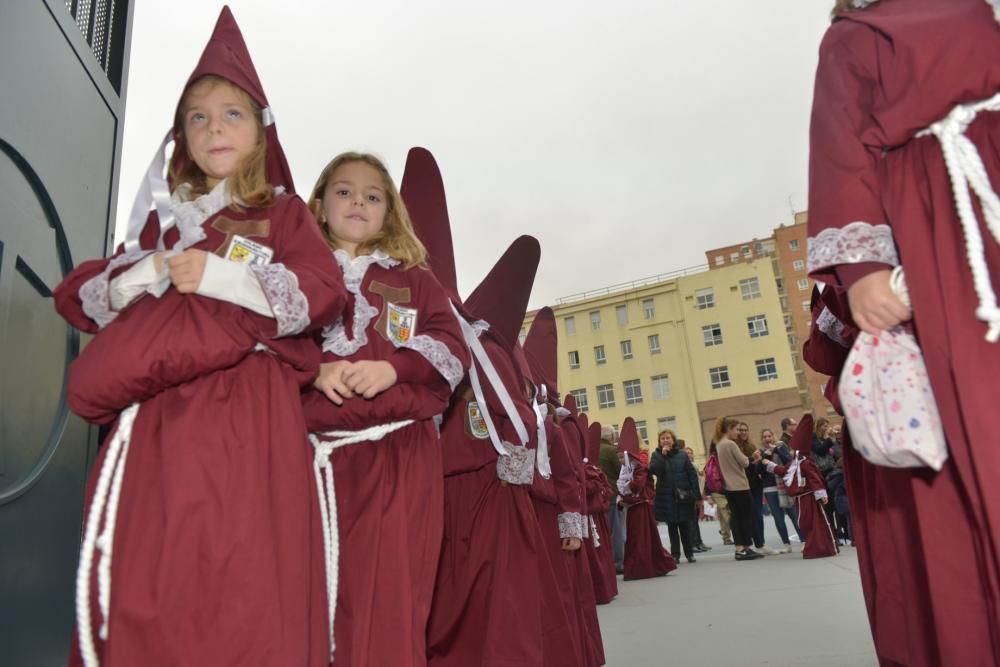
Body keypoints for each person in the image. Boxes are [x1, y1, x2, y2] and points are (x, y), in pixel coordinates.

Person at [54, 8, 348, 665]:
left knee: (241, 583)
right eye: (199, 117)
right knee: (154, 583)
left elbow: (322, 288)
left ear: (260, 130)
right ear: (180, 138)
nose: (215, 127)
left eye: (231, 113)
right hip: (158, 428)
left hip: (250, 425)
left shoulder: (281, 213)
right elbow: (80, 293)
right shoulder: (165, 227)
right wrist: (152, 271)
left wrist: (221, 276)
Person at [808, 3, 1000, 662]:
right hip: (933, 217)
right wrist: (862, 265)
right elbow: (840, 145)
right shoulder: (853, 40)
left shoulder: (978, 12)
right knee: (974, 415)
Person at [302, 152, 470, 666]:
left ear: (389, 211)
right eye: (345, 191)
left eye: (373, 196)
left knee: (390, 593)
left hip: (397, 455)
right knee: (308, 588)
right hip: (307, 457)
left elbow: (451, 345)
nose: (358, 202)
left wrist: (394, 367)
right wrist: (313, 368)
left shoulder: (415, 280)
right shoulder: (295, 275)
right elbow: (261, 341)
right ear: (320, 204)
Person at [764, 417, 838, 561]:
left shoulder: (806, 462)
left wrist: (820, 493)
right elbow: (784, 471)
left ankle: (821, 547)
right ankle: (812, 545)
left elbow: (814, 478)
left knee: (815, 522)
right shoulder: (794, 463)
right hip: (800, 499)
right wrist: (770, 465)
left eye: (791, 449)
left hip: (810, 497)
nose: (789, 451)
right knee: (804, 522)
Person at [618, 419, 678, 580]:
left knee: (640, 537)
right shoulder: (632, 465)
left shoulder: (639, 464)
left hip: (640, 504)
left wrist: (625, 491)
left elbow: (637, 485)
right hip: (636, 505)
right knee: (641, 537)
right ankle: (649, 566)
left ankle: (643, 568)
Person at [714, 417, 762, 560]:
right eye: (736, 429)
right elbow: (745, 462)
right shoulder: (731, 444)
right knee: (745, 517)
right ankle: (745, 547)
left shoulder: (719, 444)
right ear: (729, 429)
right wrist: (753, 456)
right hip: (740, 485)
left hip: (729, 486)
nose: (738, 432)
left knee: (736, 517)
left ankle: (740, 548)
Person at [649, 430, 701, 563]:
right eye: (663, 439)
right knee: (672, 527)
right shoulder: (656, 455)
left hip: (683, 495)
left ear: (673, 440)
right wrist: (663, 455)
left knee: (685, 526)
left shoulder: (682, 455)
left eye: (668, 438)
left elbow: (691, 475)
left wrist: (696, 494)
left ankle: (689, 553)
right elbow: (656, 471)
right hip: (666, 496)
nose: (666, 440)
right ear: (659, 442)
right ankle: (675, 555)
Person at [736, 422, 777, 555]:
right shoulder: (734, 446)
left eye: (745, 430)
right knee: (752, 515)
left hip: (756, 484)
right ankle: (756, 544)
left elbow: (757, 465)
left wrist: (762, 457)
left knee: (758, 515)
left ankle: (761, 543)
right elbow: (741, 465)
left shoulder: (751, 445)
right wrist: (752, 460)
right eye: (740, 430)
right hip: (743, 485)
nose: (743, 432)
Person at [759, 429, 796, 553]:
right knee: (778, 517)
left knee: (793, 514)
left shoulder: (780, 447)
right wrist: (767, 455)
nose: (767, 438)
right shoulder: (760, 452)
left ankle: (804, 540)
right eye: (764, 436)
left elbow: (789, 461)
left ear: (773, 436)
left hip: (784, 485)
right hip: (770, 488)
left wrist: (777, 451)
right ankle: (786, 544)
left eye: (769, 435)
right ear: (761, 439)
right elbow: (759, 470)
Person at [598, 425, 626, 574]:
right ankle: (618, 562)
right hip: (614, 495)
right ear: (610, 437)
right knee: (617, 530)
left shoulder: (593, 449)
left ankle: (607, 562)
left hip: (600, 497)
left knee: (604, 531)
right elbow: (620, 472)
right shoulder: (611, 451)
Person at [703, 442, 733, 545]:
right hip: (717, 491)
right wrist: (708, 495)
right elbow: (707, 477)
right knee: (726, 514)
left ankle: (725, 535)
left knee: (723, 514)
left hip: (729, 489)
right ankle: (726, 534)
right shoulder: (712, 460)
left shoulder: (726, 457)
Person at [685, 445, 712, 552]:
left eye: (690, 453)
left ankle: (699, 542)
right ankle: (693, 543)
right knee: (692, 522)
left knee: (695, 521)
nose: (689, 455)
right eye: (687, 453)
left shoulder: (694, 465)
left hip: (698, 494)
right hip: (692, 496)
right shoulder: (687, 466)